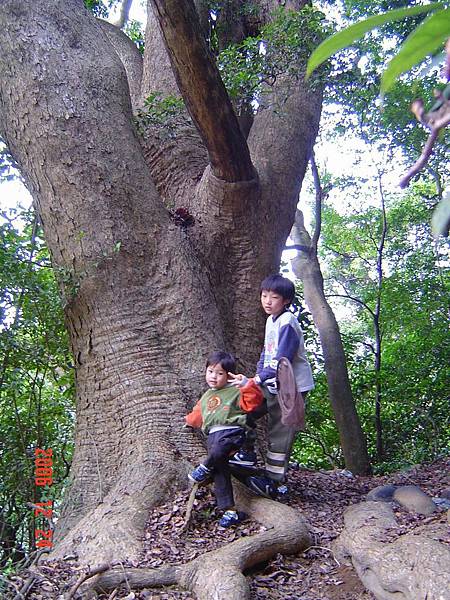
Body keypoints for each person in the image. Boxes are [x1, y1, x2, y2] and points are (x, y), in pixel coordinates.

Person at [230, 274, 314, 499]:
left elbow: (282, 359)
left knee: (280, 431)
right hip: (271, 381)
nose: (267, 301)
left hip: (291, 387)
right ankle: (246, 452)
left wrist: (256, 380)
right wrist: (258, 375)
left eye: (274, 297)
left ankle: (274, 481)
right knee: (243, 406)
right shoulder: (271, 320)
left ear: (285, 300)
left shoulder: (288, 322)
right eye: (264, 295)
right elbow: (266, 354)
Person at [185, 351, 263, 527]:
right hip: (213, 435)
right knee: (221, 473)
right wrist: (188, 422)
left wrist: (246, 384)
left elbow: (254, 401)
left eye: (220, 373)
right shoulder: (206, 397)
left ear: (228, 376)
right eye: (211, 371)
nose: (214, 376)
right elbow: (198, 415)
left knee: (219, 450)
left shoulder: (235, 390)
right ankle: (229, 510)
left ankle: (204, 467)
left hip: (232, 433)